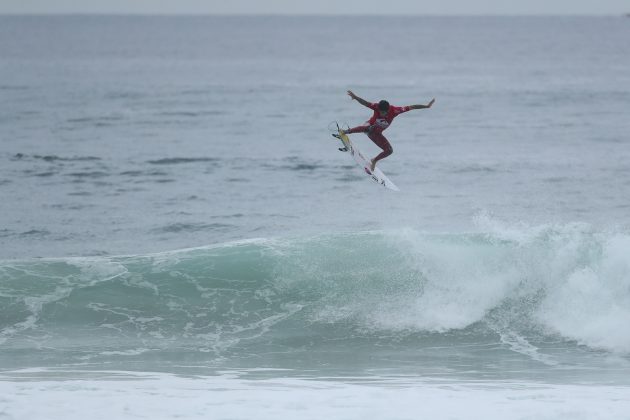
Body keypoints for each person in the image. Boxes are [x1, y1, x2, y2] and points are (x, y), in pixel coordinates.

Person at [342, 90, 435, 172]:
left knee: (389, 151)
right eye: (380, 111)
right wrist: (355, 97)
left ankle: (374, 160)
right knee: (370, 127)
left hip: (377, 134)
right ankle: (346, 131)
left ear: (388, 110)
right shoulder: (376, 107)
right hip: (369, 127)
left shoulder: (395, 110)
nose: (381, 113)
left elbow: (412, 107)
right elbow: (365, 103)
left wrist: (426, 106)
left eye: (383, 112)